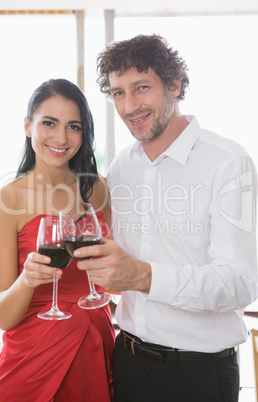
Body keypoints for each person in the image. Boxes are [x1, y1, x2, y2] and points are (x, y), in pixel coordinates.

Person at [73, 34, 258, 402]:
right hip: (126, 361)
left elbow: (240, 283)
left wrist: (142, 276)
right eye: (118, 93)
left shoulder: (228, 162)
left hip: (196, 374)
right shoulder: (122, 165)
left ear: (175, 84)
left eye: (141, 87)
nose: (129, 106)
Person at [0, 78, 115, 401]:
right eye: (49, 123)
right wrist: (26, 281)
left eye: (73, 126)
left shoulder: (98, 189)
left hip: (96, 346)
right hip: (32, 359)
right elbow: (1, 316)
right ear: (28, 126)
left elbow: (113, 282)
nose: (61, 137)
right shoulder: (6, 201)